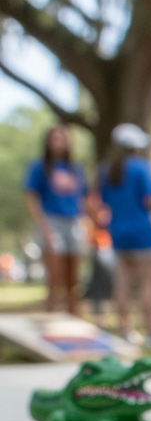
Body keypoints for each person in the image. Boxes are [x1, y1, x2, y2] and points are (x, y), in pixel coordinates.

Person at [96, 124, 151, 348]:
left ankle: (126, 331)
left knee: (122, 283)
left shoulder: (105, 170)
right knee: (147, 284)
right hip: (143, 232)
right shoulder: (141, 167)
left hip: (118, 232)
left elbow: (103, 202)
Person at [23, 125, 88, 314]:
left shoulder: (76, 168)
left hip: (74, 222)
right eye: (54, 139)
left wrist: (87, 223)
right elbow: (31, 198)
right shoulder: (39, 167)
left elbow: (83, 199)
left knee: (73, 281)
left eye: (61, 138)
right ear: (47, 142)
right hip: (51, 222)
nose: (58, 142)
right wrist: (44, 228)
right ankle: (50, 320)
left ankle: (74, 320)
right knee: (55, 278)